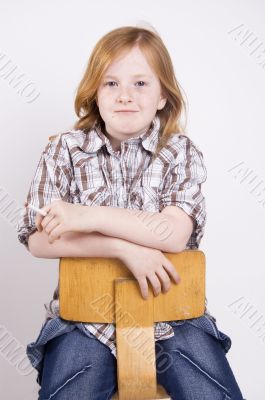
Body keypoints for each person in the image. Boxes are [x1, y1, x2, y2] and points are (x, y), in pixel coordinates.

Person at [17, 25, 245, 399]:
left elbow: (172, 234)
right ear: (95, 92)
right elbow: (39, 240)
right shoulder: (64, 151)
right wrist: (124, 248)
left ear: (162, 96)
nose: (125, 96)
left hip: (175, 315)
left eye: (140, 83)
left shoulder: (180, 152)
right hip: (84, 320)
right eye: (111, 84)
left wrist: (87, 216)